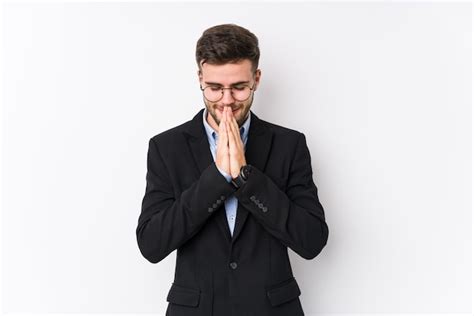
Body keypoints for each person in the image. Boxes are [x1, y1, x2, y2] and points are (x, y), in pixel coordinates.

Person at [136, 23, 329, 316]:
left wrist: (246, 177)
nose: (227, 101)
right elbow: (152, 244)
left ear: (256, 79)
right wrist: (218, 178)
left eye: (239, 88)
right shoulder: (167, 147)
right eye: (215, 88)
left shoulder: (289, 145)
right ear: (200, 78)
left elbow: (311, 240)